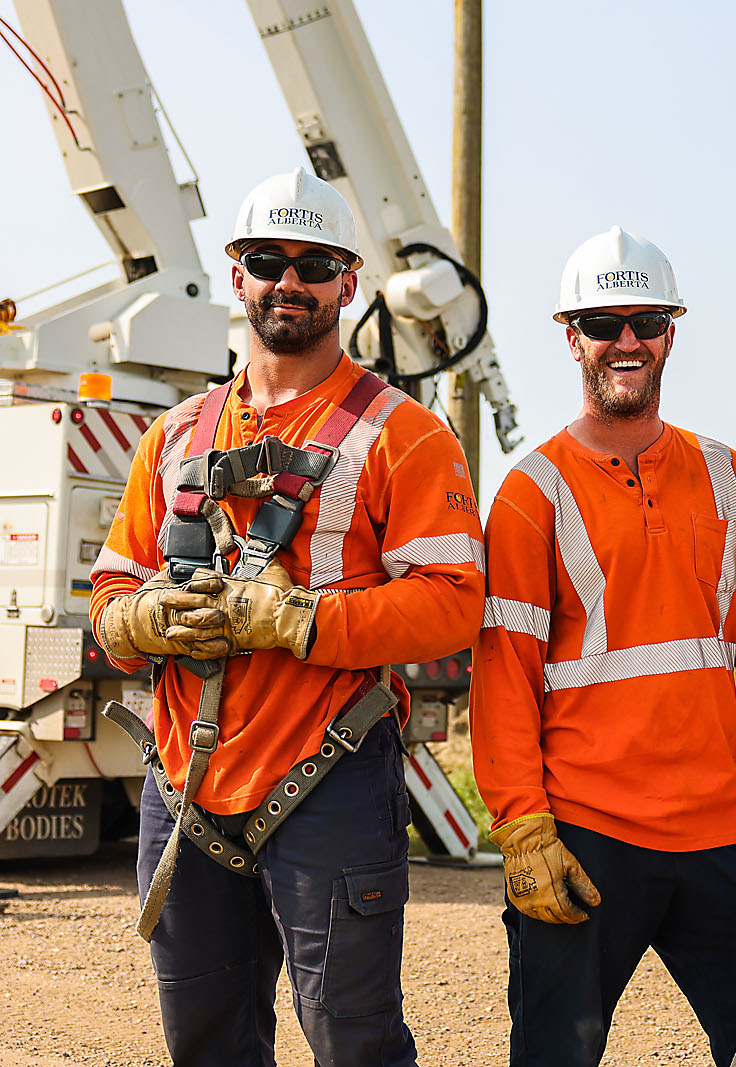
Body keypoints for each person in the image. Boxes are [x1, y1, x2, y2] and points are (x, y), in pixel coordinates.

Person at [89, 167, 485, 1066]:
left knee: (354, 1042)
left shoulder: (404, 433)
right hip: (184, 784)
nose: (289, 282)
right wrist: (142, 622)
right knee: (206, 1043)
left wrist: (297, 622)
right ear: (238, 276)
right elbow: (110, 596)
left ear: (350, 282)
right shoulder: (178, 436)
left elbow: (454, 605)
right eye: (268, 260)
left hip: (328, 782)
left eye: (315, 264)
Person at [470, 226, 736, 1067]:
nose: (626, 340)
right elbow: (503, 676)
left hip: (720, 827)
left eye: (645, 320)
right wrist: (522, 827)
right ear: (573, 338)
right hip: (584, 832)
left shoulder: (728, 475)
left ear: (672, 331)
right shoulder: (533, 492)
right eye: (604, 323)